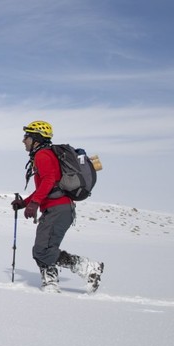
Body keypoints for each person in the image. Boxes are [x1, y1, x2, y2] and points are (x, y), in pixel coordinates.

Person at [11, 121, 104, 293]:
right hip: (60, 208)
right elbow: (47, 187)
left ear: (36, 139)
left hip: (57, 209)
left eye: (27, 136)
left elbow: (48, 181)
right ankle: (57, 280)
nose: (24, 140)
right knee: (45, 249)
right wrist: (24, 203)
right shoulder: (46, 155)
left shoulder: (43, 156)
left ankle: (81, 270)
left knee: (41, 249)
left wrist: (34, 203)